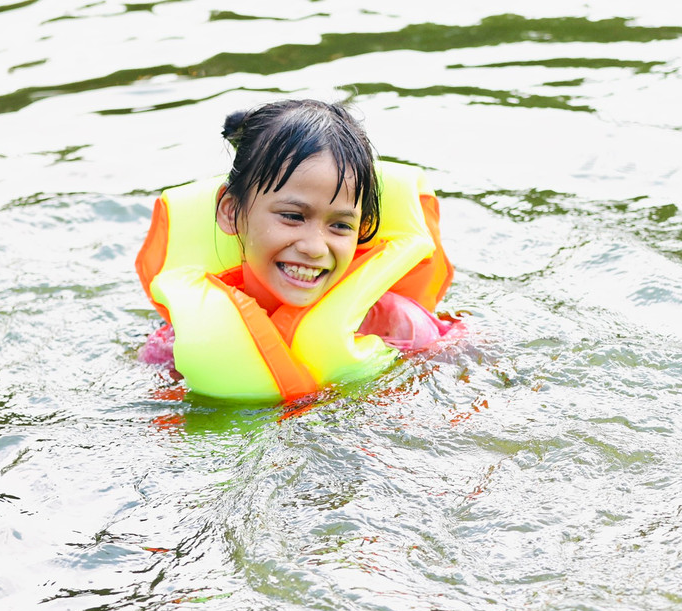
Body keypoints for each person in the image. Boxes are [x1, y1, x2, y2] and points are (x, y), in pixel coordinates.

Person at [137, 99, 456, 400]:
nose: (315, 248)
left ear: (363, 226)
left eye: (340, 225)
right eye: (292, 216)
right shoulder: (179, 346)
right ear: (231, 211)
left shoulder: (399, 325)